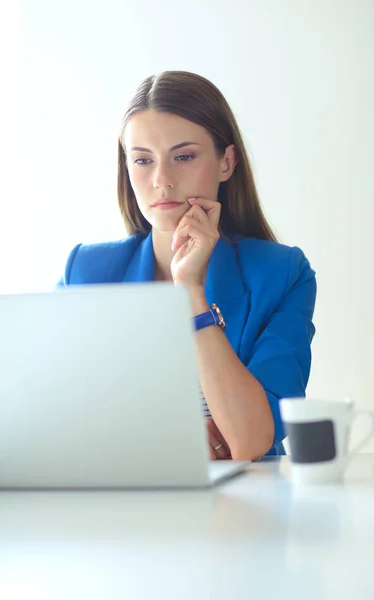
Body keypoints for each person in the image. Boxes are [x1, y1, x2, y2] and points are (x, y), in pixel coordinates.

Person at [59, 71, 316, 461]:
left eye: (183, 156)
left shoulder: (282, 274)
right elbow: (59, 424)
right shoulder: (85, 272)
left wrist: (191, 292)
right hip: (123, 503)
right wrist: (172, 438)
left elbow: (250, 441)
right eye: (143, 160)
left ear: (226, 161)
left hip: (246, 509)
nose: (162, 180)